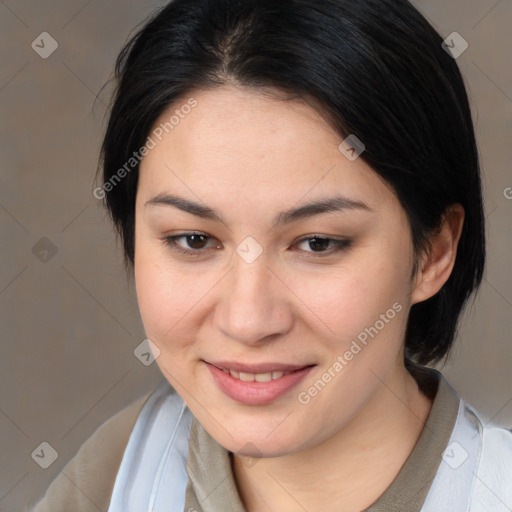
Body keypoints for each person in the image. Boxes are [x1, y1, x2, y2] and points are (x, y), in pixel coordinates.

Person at [33, 0, 512, 510]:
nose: (248, 320)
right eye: (194, 240)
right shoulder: (115, 478)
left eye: (317, 243)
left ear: (434, 251)